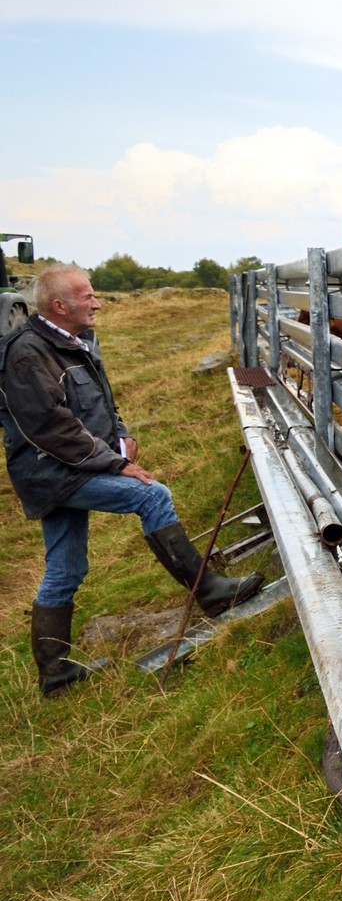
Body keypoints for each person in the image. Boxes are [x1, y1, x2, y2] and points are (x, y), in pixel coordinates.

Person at [0, 265, 264, 697]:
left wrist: (121, 434)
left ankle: (56, 674)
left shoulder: (70, 342)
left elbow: (99, 399)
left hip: (71, 468)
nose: (97, 302)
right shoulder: (27, 354)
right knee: (152, 496)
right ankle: (212, 593)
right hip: (52, 473)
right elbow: (48, 426)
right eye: (87, 296)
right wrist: (113, 463)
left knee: (66, 568)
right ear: (60, 305)